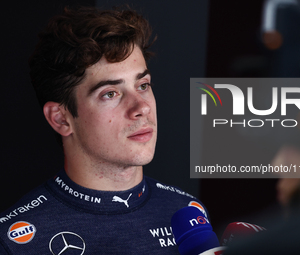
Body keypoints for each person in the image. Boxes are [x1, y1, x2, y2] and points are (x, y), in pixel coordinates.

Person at [0, 6, 207, 254]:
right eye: (110, 93)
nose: (141, 107)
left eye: (142, 85)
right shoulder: (15, 241)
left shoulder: (189, 212)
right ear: (61, 119)